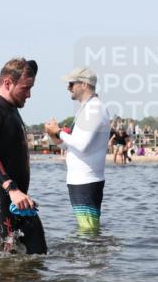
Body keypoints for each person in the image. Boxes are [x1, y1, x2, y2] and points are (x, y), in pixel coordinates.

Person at [0, 58, 46, 254]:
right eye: (25, 88)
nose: (29, 94)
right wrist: (11, 188)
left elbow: (33, 64)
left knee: (39, 258)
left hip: (21, 202)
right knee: (3, 273)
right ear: (8, 83)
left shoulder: (11, 104)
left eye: (31, 88)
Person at [41, 67, 111, 233]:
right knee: (86, 229)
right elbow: (70, 145)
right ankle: (89, 257)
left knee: (88, 231)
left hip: (87, 180)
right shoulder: (86, 109)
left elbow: (82, 144)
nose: (68, 87)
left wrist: (58, 131)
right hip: (79, 180)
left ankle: (91, 258)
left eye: (71, 83)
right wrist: (54, 135)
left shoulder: (94, 109)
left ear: (85, 84)